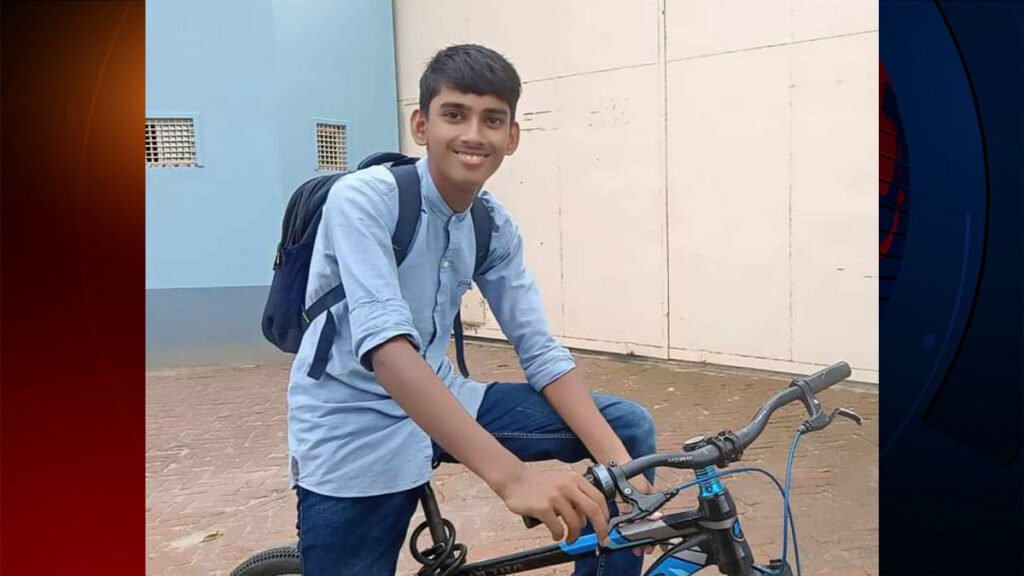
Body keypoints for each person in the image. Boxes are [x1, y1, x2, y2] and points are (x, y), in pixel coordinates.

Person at [287, 44, 658, 576]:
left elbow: (538, 348)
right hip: (352, 422)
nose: (474, 134)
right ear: (421, 125)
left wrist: (624, 473)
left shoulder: (492, 224)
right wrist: (513, 478)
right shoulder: (364, 199)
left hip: (445, 396)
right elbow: (387, 349)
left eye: (492, 119)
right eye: (455, 114)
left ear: (512, 136)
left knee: (627, 430)